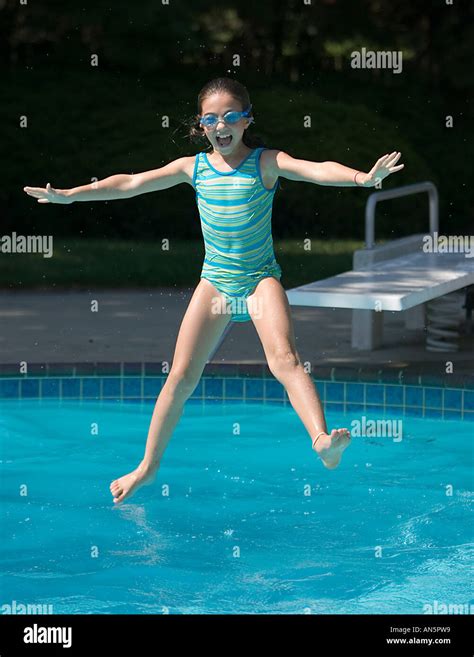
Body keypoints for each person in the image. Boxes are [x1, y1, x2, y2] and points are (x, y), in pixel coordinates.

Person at [24, 77, 404, 504]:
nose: (220, 125)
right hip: (216, 282)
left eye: (230, 116)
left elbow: (315, 170)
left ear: (247, 120)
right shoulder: (194, 168)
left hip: (260, 279)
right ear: (200, 126)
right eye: (210, 118)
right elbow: (131, 182)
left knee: (285, 359)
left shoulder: (266, 161)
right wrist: (72, 196)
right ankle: (147, 467)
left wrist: (362, 178)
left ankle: (321, 441)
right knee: (181, 377)